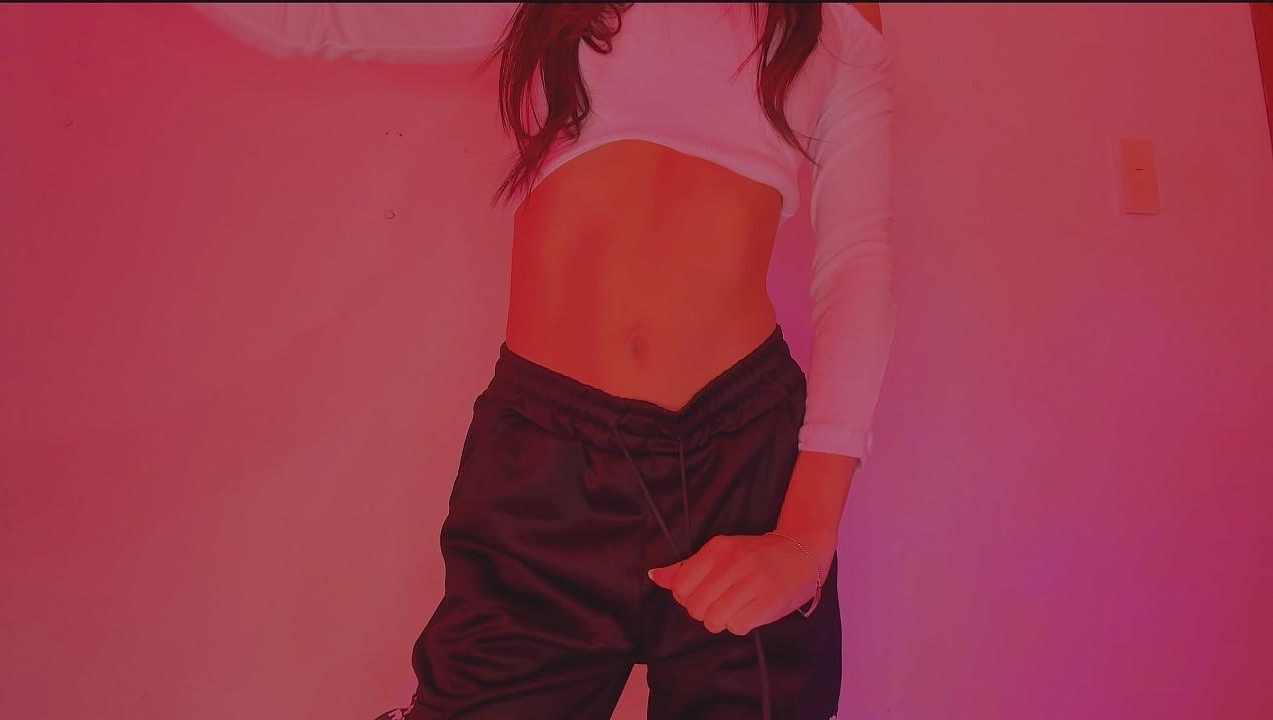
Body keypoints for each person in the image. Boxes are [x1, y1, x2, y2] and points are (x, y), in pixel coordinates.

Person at [189, 3, 896, 719]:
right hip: (546, 468)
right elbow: (308, 17)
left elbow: (856, 264)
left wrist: (805, 539)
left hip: (743, 469)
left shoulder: (835, 13)